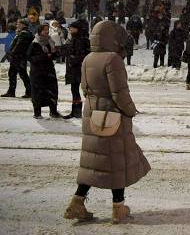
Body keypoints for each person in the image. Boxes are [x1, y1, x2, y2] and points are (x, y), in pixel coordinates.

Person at [63, 20, 150, 223]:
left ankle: (77, 202)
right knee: (116, 162)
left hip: (93, 115)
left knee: (93, 163)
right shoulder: (113, 59)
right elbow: (119, 93)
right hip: (112, 118)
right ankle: (118, 208)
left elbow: (85, 89)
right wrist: (130, 111)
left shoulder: (88, 58)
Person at [27, 24, 62, 119]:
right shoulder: (35, 43)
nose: (46, 31)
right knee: (38, 93)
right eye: (44, 30)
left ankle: (53, 111)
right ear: (40, 31)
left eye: (47, 29)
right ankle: (37, 113)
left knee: (52, 91)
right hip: (38, 72)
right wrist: (44, 56)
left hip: (49, 71)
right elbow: (29, 57)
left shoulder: (50, 42)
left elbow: (53, 56)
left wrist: (56, 53)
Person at [63, 19, 90, 119]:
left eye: (72, 28)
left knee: (81, 91)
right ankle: (76, 111)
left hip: (78, 69)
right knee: (74, 90)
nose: (70, 30)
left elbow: (82, 55)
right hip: (74, 69)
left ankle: (79, 111)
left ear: (77, 29)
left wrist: (72, 59)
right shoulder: (73, 38)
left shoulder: (81, 40)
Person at [2, 19, 33, 98]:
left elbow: (19, 46)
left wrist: (12, 52)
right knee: (16, 74)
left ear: (23, 25)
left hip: (18, 57)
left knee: (21, 74)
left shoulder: (24, 33)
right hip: (18, 57)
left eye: (18, 24)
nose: (17, 25)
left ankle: (28, 92)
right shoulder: (22, 33)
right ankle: (13, 91)